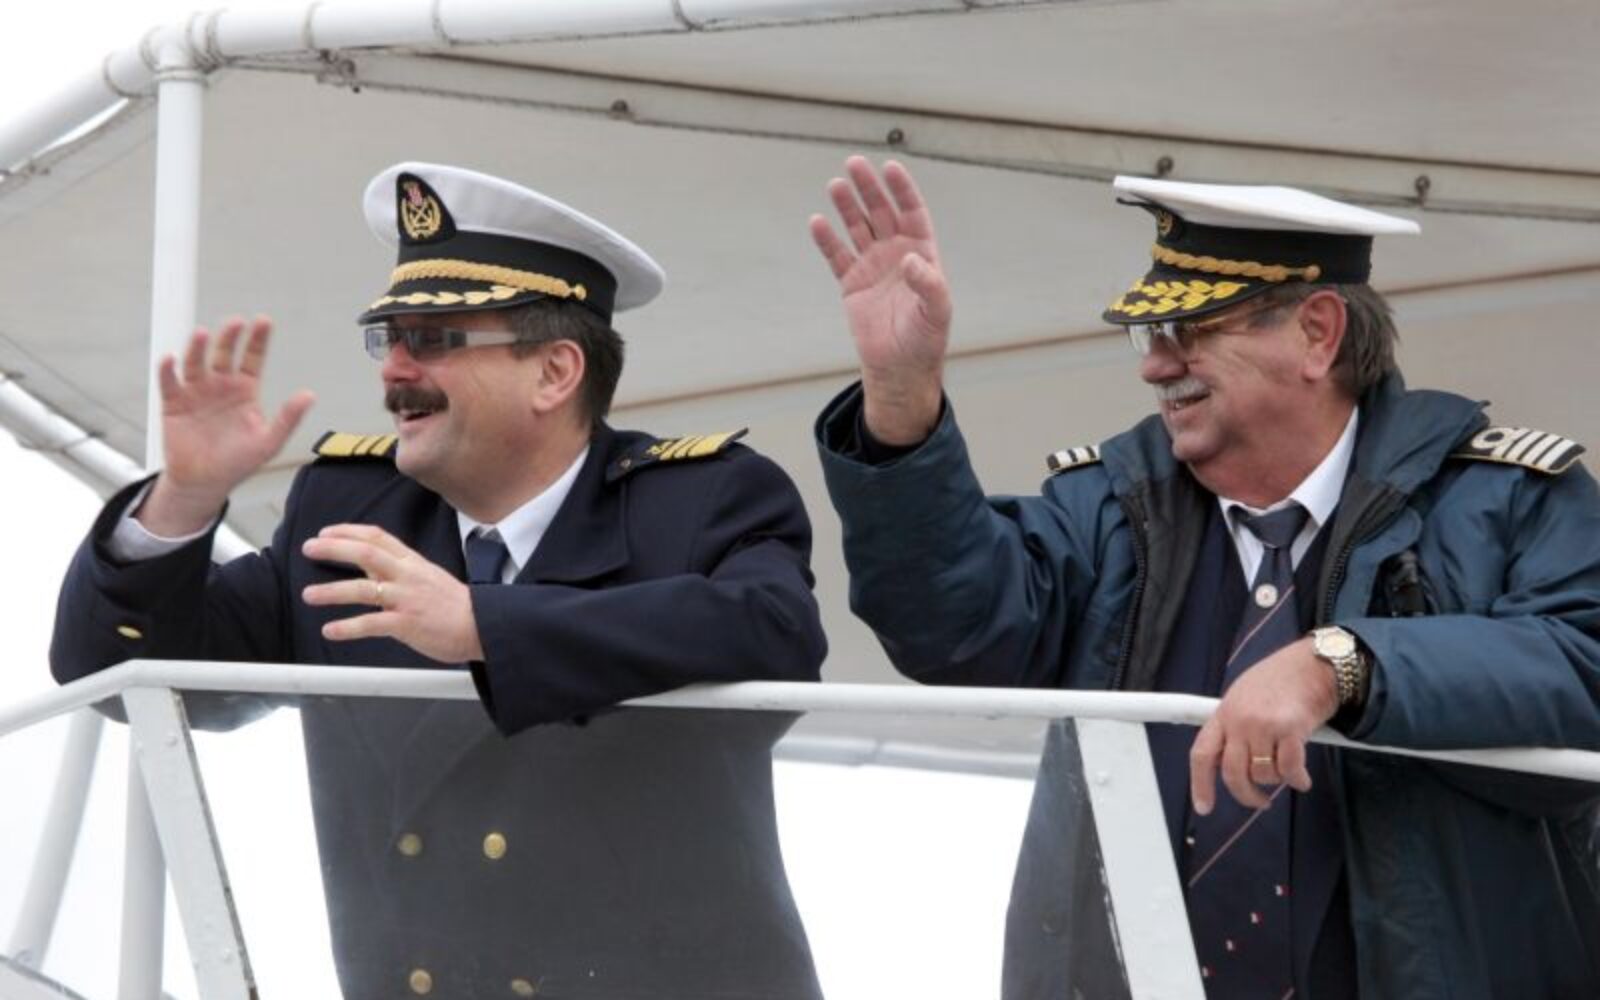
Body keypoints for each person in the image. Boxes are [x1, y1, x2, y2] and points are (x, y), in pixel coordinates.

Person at [808, 156, 1600, 999]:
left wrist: (1342, 665)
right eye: (1149, 336)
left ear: (1318, 333)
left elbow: (1583, 663)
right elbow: (949, 628)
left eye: (1189, 331)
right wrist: (902, 394)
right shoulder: (1109, 507)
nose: (1156, 366)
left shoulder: (1503, 500)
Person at [52, 162, 828, 999]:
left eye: (433, 340)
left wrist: (485, 627)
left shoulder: (700, 499)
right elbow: (126, 675)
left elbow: (776, 635)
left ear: (555, 372)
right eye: (387, 338)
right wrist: (184, 499)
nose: (394, 371)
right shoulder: (348, 512)